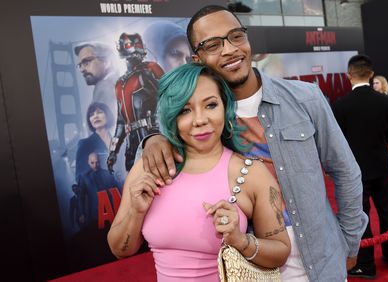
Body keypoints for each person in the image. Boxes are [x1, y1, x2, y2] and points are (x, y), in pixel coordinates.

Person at [139, 5, 367, 281]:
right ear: (196, 59)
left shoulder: (306, 98)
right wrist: (152, 138)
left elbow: (346, 172)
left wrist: (350, 242)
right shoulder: (206, 120)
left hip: (322, 260)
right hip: (251, 265)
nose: (229, 50)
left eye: (236, 36)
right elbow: (169, 133)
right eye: (213, 44)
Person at [108, 63, 291, 281]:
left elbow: (280, 252)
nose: (200, 119)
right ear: (171, 116)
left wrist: (240, 240)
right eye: (185, 110)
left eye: (211, 105)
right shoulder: (150, 167)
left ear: (225, 106)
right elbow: (120, 249)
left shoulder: (251, 173)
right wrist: (135, 213)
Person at [333, 55, 388, 279]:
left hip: (354, 171)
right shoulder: (386, 102)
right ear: (371, 74)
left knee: (360, 218)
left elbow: (338, 139)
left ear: (349, 76)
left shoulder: (341, 105)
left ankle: (366, 266)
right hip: (382, 166)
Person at [106, 33, 165, 172]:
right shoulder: (120, 83)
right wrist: (113, 152)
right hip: (131, 143)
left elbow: (171, 99)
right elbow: (121, 121)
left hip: (154, 135)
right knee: (137, 182)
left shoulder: (151, 69)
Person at [74, 42, 119, 116]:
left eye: (86, 62)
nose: (82, 69)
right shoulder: (118, 82)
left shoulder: (104, 87)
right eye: (80, 65)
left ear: (106, 61)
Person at [75, 102, 115, 180]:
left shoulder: (119, 141)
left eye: (99, 112)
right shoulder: (85, 144)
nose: (95, 116)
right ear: (90, 120)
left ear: (108, 115)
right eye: (91, 115)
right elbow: (80, 177)